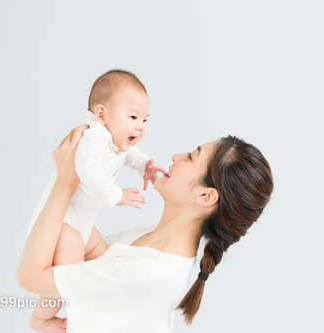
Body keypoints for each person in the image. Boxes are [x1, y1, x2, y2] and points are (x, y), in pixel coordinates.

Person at [17, 125, 273, 333]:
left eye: (191, 157)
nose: (176, 157)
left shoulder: (149, 271)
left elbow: (30, 278)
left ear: (206, 196)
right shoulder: (152, 240)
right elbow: (77, 250)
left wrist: (65, 182)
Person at [27, 70, 165, 332]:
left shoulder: (115, 140)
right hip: (61, 219)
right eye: (134, 117)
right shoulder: (94, 135)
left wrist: (144, 166)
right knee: (69, 268)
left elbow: (129, 153)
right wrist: (117, 195)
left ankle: (105, 309)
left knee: (102, 257)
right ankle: (41, 318)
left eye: (145, 120)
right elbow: (85, 167)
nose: (140, 126)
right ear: (102, 115)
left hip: (81, 222)